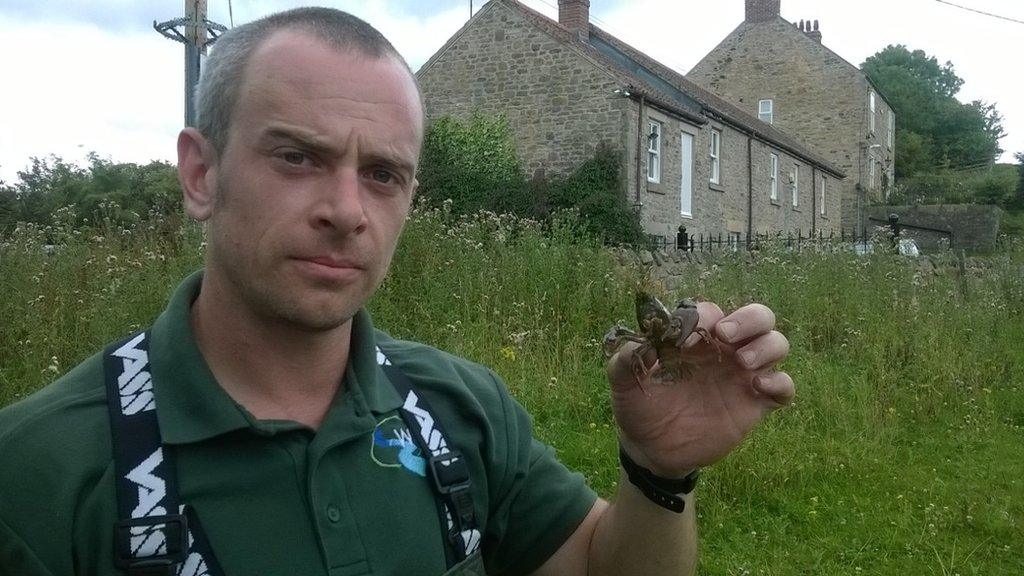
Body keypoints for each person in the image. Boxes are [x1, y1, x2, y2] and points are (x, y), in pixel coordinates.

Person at [0, 7, 793, 576]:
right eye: (297, 157)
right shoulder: (38, 478)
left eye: (382, 174)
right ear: (201, 173)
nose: (346, 211)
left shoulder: (463, 408)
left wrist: (655, 473)